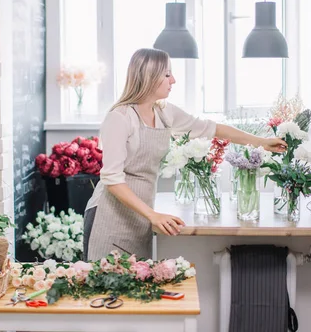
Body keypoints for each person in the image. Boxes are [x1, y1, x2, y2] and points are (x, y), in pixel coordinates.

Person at [83, 48, 287, 261]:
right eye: (167, 74)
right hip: (109, 217)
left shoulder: (164, 112)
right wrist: (153, 215)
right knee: (103, 289)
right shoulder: (120, 118)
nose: (174, 80)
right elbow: (113, 180)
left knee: (136, 289)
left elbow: (213, 129)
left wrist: (262, 142)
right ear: (149, 77)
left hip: (141, 216)